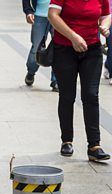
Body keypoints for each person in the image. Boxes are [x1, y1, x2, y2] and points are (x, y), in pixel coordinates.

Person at [49, 0, 111, 161]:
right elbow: (52, 15)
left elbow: (106, 14)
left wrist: (104, 25)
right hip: (64, 49)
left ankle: (94, 146)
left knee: (91, 95)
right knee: (67, 96)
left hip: (92, 50)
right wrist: (73, 37)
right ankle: (67, 140)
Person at [23, 0, 59, 91]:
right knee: (36, 46)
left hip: (58, 16)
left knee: (59, 47)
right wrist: (28, 11)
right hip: (39, 16)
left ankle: (56, 80)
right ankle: (31, 71)